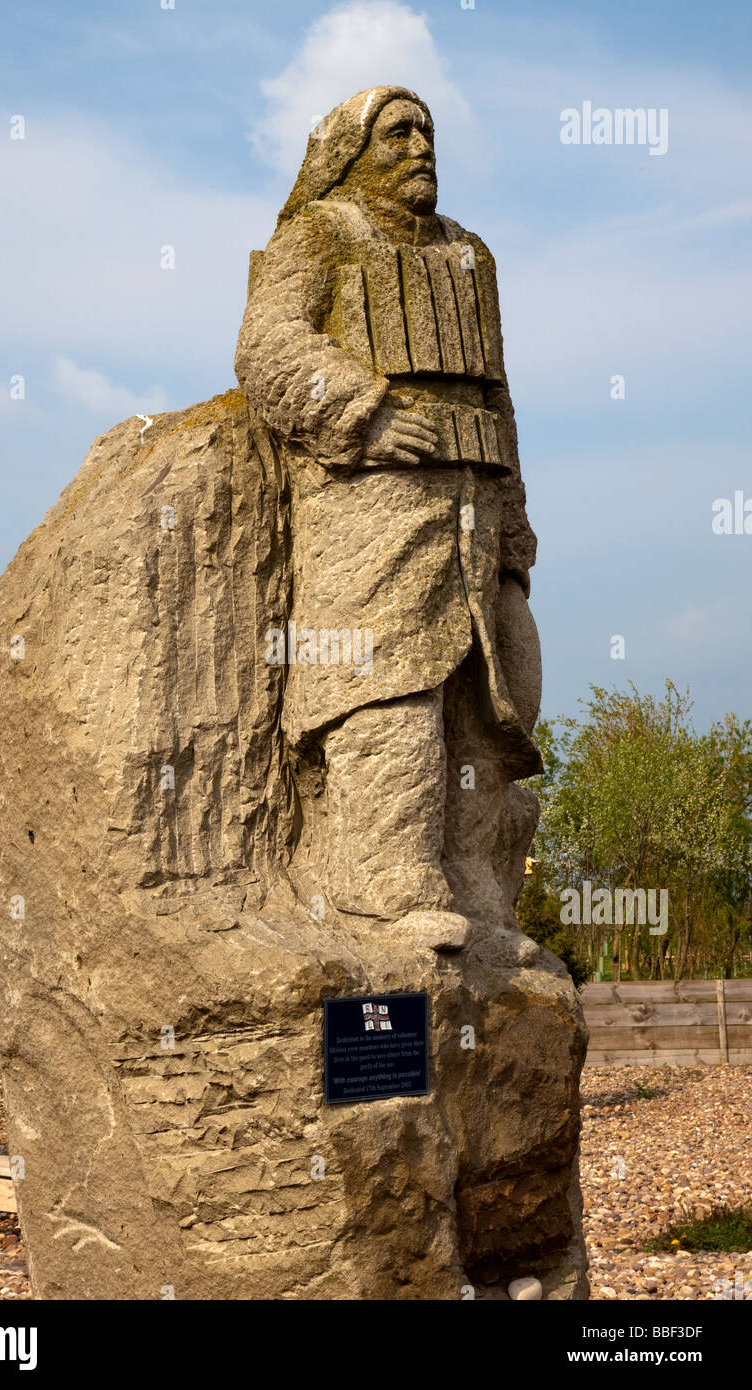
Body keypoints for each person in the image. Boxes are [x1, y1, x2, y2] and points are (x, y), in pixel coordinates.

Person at [236, 87, 542, 943]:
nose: (421, 145)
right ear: (351, 150)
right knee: (388, 688)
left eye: (429, 131)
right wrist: (364, 412)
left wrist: (514, 534)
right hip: (373, 509)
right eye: (398, 131)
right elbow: (266, 344)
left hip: (475, 514)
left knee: (497, 696)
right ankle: (387, 880)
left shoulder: (470, 256)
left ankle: (475, 879)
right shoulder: (323, 234)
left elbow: (499, 397)